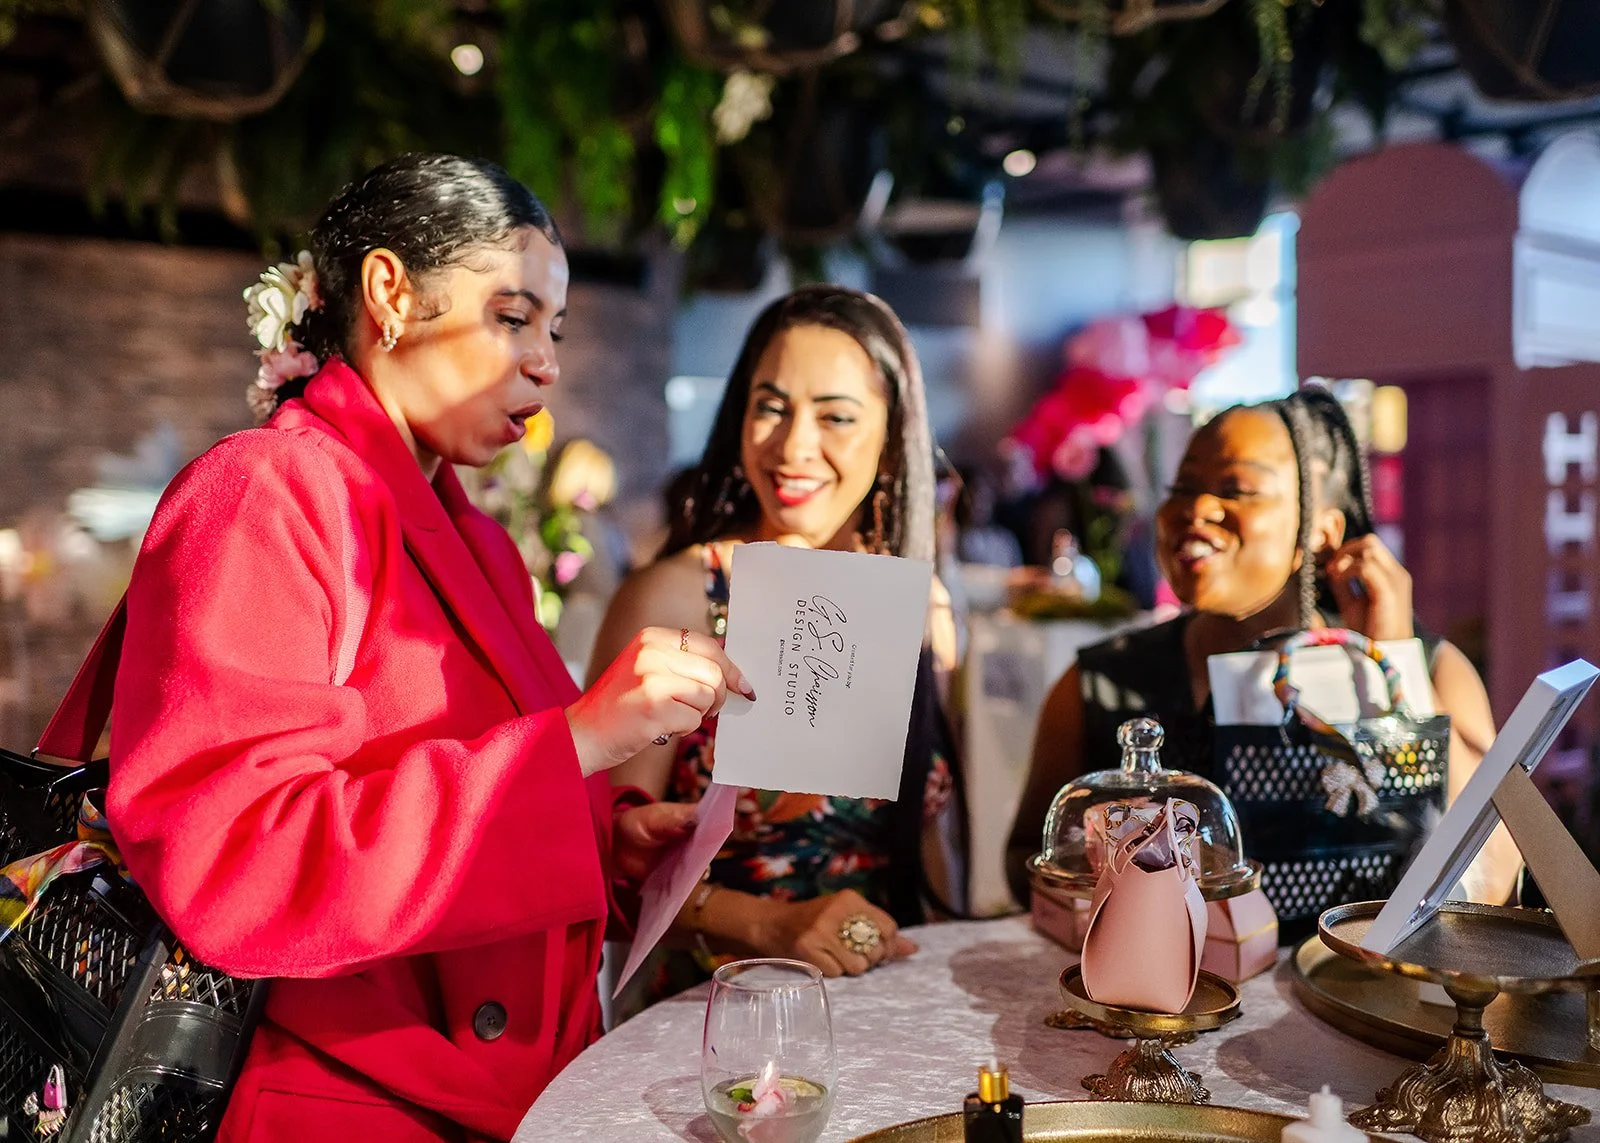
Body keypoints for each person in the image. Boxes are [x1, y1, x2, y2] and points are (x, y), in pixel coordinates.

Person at [105, 154, 753, 1142]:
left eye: (554, 330)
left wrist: (602, 836)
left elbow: (491, 781)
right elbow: (236, 862)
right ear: (391, 294)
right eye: (512, 317)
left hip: (510, 1093)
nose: (546, 363)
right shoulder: (266, 493)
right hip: (355, 1099)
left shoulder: (474, 534)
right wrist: (577, 742)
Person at [1006, 386, 1520, 937]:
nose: (1197, 509)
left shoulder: (1435, 671)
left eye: (1237, 489)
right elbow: (1024, 864)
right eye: (1183, 488)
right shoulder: (1102, 683)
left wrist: (1396, 663)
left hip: (1354, 985)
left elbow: (1494, 880)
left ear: (1321, 532)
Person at [588, 285, 964, 996]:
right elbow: (601, 861)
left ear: (893, 438)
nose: (793, 446)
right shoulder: (676, 598)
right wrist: (766, 925)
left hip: (882, 998)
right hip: (714, 1008)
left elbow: (930, 862)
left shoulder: (921, 609)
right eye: (771, 406)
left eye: (836, 416)